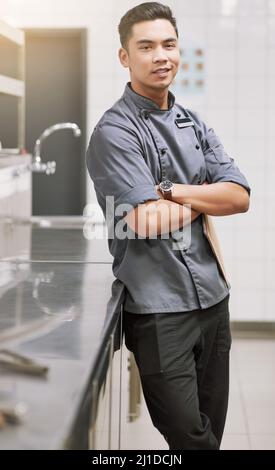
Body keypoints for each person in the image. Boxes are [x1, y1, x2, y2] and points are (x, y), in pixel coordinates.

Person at [86, 2, 250, 450]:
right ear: (125, 56)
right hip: (159, 311)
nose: (161, 55)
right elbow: (143, 220)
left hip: (213, 299)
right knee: (189, 436)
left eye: (169, 44)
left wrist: (172, 191)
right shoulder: (115, 132)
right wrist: (202, 193)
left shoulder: (192, 122)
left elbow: (239, 196)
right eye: (146, 46)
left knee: (209, 430)